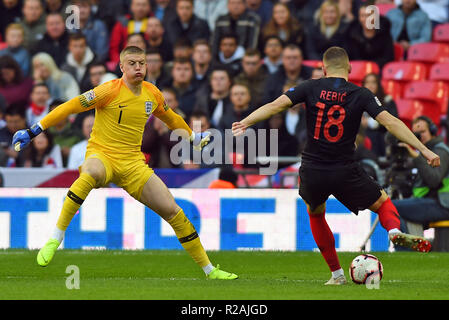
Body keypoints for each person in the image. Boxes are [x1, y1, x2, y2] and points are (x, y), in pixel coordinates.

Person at [13, 45, 237, 280]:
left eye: (142, 63)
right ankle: (56, 238)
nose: (138, 67)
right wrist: (34, 129)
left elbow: (171, 117)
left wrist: (192, 137)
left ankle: (210, 270)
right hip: (103, 155)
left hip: (132, 164)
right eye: (132, 63)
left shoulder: (152, 94)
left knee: (174, 212)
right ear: (121, 67)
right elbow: (71, 106)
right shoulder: (107, 91)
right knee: (89, 174)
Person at [231, 46, 439, 285]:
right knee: (382, 203)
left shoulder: (309, 87)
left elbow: (276, 105)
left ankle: (336, 275)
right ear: (349, 68)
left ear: (323, 67)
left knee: (316, 213)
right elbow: (390, 122)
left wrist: (245, 122)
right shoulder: (361, 94)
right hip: (344, 169)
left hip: (312, 170)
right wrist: (423, 149)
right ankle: (393, 231)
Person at [393, 116, 449, 237]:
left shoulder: (441, 151)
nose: (419, 136)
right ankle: (412, 245)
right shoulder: (424, 152)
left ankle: (405, 250)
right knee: (393, 205)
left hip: (442, 205)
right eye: (416, 134)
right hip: (431, 202)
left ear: (433, 131)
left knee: (393, 207)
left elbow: (433, 180)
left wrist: (417, 157)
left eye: (422, 132)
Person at [348, 3, 395, 69]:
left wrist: (371, 66)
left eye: (369, 15)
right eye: (362, 15)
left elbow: (388, 58)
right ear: (359, 18)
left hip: (379, 70)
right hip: (358, 69)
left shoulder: (384, 34)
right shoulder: (353, 35)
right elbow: (352, 57)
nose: (366, 19)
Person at [362, 73, 398, 157]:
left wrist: (372, 123)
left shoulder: (387, 101)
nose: (370, 85)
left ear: (378, 84)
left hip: (382, 137)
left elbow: (394, 121)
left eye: (373, 82)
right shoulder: (359, 101)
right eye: (367, 82)